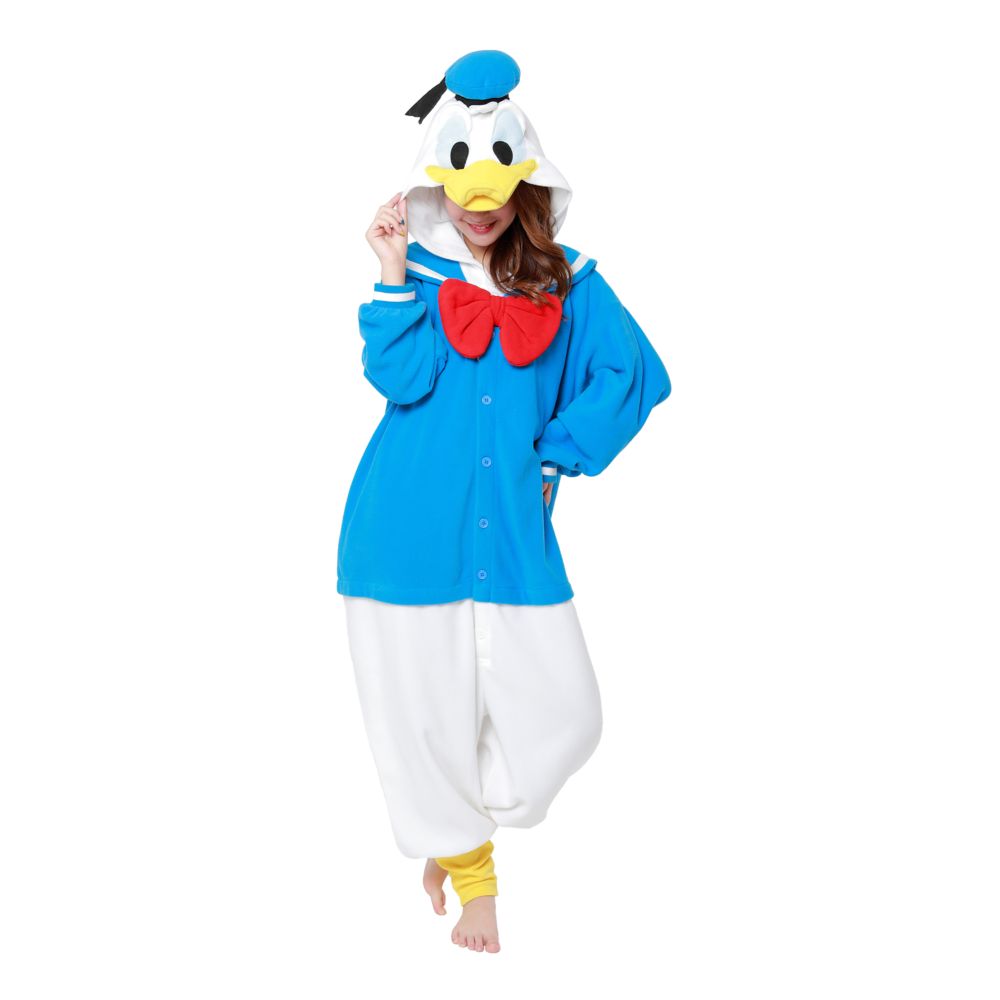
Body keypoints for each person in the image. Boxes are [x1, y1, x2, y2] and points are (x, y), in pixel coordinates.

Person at [337, 49, 672, 954]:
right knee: (425, 717)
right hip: (401, 533)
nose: (475, 212)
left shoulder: (569, 285)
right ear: (435, 189)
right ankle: (471, 869)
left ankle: (447, 823)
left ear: (527, 184)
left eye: (493, 194)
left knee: (569, 718)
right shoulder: (420, 274)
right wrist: (391, 270)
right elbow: (399, 380)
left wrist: (556, 454)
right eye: (457, 195)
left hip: (515, 536)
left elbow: (633, 375)